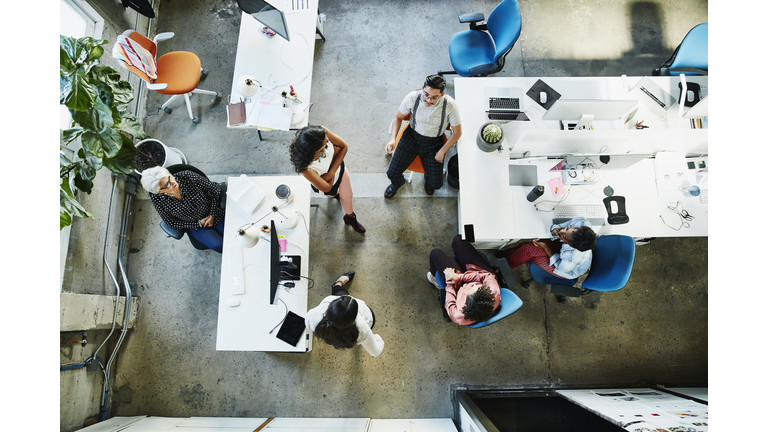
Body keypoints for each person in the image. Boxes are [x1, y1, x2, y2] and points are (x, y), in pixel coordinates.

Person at [384, 74, 463, 197]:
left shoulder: (450, 105)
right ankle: (398, 182)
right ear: (422, 88)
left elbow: (457, 132)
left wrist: (442, 151)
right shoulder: (412, 97)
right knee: (391, 173)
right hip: (411, 137)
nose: (428, 100)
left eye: (434, 97)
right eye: (426, 94)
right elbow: (398, 117)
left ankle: (428, 179)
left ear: (442, 95)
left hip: (434, 142)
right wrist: (392, 139)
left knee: (436, 184)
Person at [289, 125, 365, 233]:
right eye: (324, 146)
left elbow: (344, 147)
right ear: (312, 152)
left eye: (328, 141)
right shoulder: (306, 169)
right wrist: (335, 153)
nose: (328, 143)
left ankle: (350, 217)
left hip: (340, 172)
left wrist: (329, 174)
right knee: (333, 194)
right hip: (330, 186)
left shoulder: (321, 133)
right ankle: (337, 196)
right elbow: (327, 187)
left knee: (347, 196)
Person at [140, 166, 226, 253]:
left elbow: (215, 190)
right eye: (167, 185)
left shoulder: (188, 176)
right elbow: (171, 222)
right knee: (219, 245)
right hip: (195, 225)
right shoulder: (157, 199)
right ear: (159, 191)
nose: (173, 182)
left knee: (234, 234)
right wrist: (198, 224)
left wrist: (212, 214)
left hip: (214, 211)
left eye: (170, 177)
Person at [305, 272, 384, 357]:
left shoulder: (316, 313)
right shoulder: (362, 327)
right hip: (358, 331)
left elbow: (309, 324)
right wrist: (376, 338)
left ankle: (338, 283)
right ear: (355, 317)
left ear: (331, 307)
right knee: (342, 292)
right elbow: (375, 352)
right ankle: (337, 284)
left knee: (339, 291)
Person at [427, 235, 501, 326]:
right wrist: (459, 277)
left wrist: (450, 280)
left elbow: (450, 301)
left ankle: (434, 277)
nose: (472, 285)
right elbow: (486, 276)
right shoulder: (492, 292)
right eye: (478, 286)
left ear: (466, 303)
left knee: (435, 253)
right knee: (458, 240)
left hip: (456, 287)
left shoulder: (457, 314)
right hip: (476, 273)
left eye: (470, 289)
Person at [501, 217, 597, 279]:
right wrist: (556, 231)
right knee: (528, 245)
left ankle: (501, 269)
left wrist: (545, 247)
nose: (562, 230)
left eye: (563, 237)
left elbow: (559, 266)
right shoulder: (581, 222)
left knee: (529, 250)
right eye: (568, 228)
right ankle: (508, 255)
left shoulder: (572, 260)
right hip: (564, 251)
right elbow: (560, 227)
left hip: (563, 268)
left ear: (570, 245)